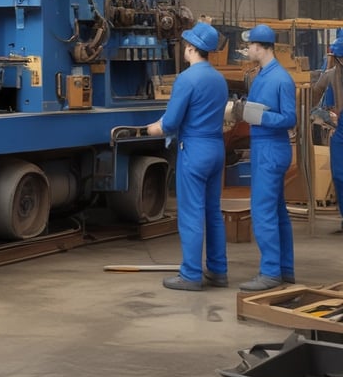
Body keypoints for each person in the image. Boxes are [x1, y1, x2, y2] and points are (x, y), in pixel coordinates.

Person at [146, 21, 229, 291]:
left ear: (192, 48)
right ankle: (218, 271)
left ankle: (191, 275)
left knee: (191, 213)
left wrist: (153, 129)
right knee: (213, 212)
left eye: (185, 45)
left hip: (194, 150)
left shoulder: (187, 79)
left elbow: (170, 123)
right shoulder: (219, 80)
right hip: (216, 149)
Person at [235, 24, 297, 291]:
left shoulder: (281, 79)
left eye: (249, 46)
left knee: (262, 212)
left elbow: (290, 118)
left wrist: (256, 115)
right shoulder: (260, 75)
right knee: (277, 212)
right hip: (265, 147)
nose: (247, 50)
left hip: (272, 148)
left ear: (260, 47)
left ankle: (270, 272)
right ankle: (285, 269)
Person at [312, 35, 343, 230]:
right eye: (340, 57)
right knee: (339, 175)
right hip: (341, 129)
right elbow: (315, 92)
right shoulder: (332, 74)